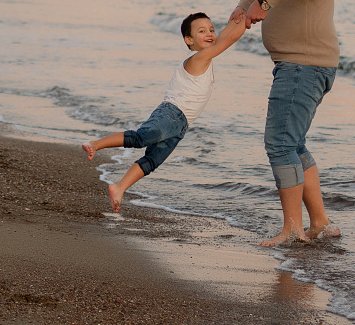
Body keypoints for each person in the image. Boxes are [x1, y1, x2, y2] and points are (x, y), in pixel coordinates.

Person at [229, 0, 340, 246]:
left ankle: (293, 228)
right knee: (294, 144)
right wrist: (244, 7)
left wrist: (265, 2)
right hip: (299, 65)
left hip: (303, 65)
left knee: (279, 143)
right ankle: (319, 223)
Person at [82, 12, 245, 212]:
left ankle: (119, 188)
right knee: (140, 138)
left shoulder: (205, 56)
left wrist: (242, 11)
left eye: (212, 29)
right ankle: (96, 144)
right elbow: (228, 39)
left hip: (181, 124)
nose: (210, 33)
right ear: (189, 40)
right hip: (172, 114)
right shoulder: (198, 57)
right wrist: (249, 19)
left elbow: (225, 35)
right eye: (202, 31)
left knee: (152, 161)